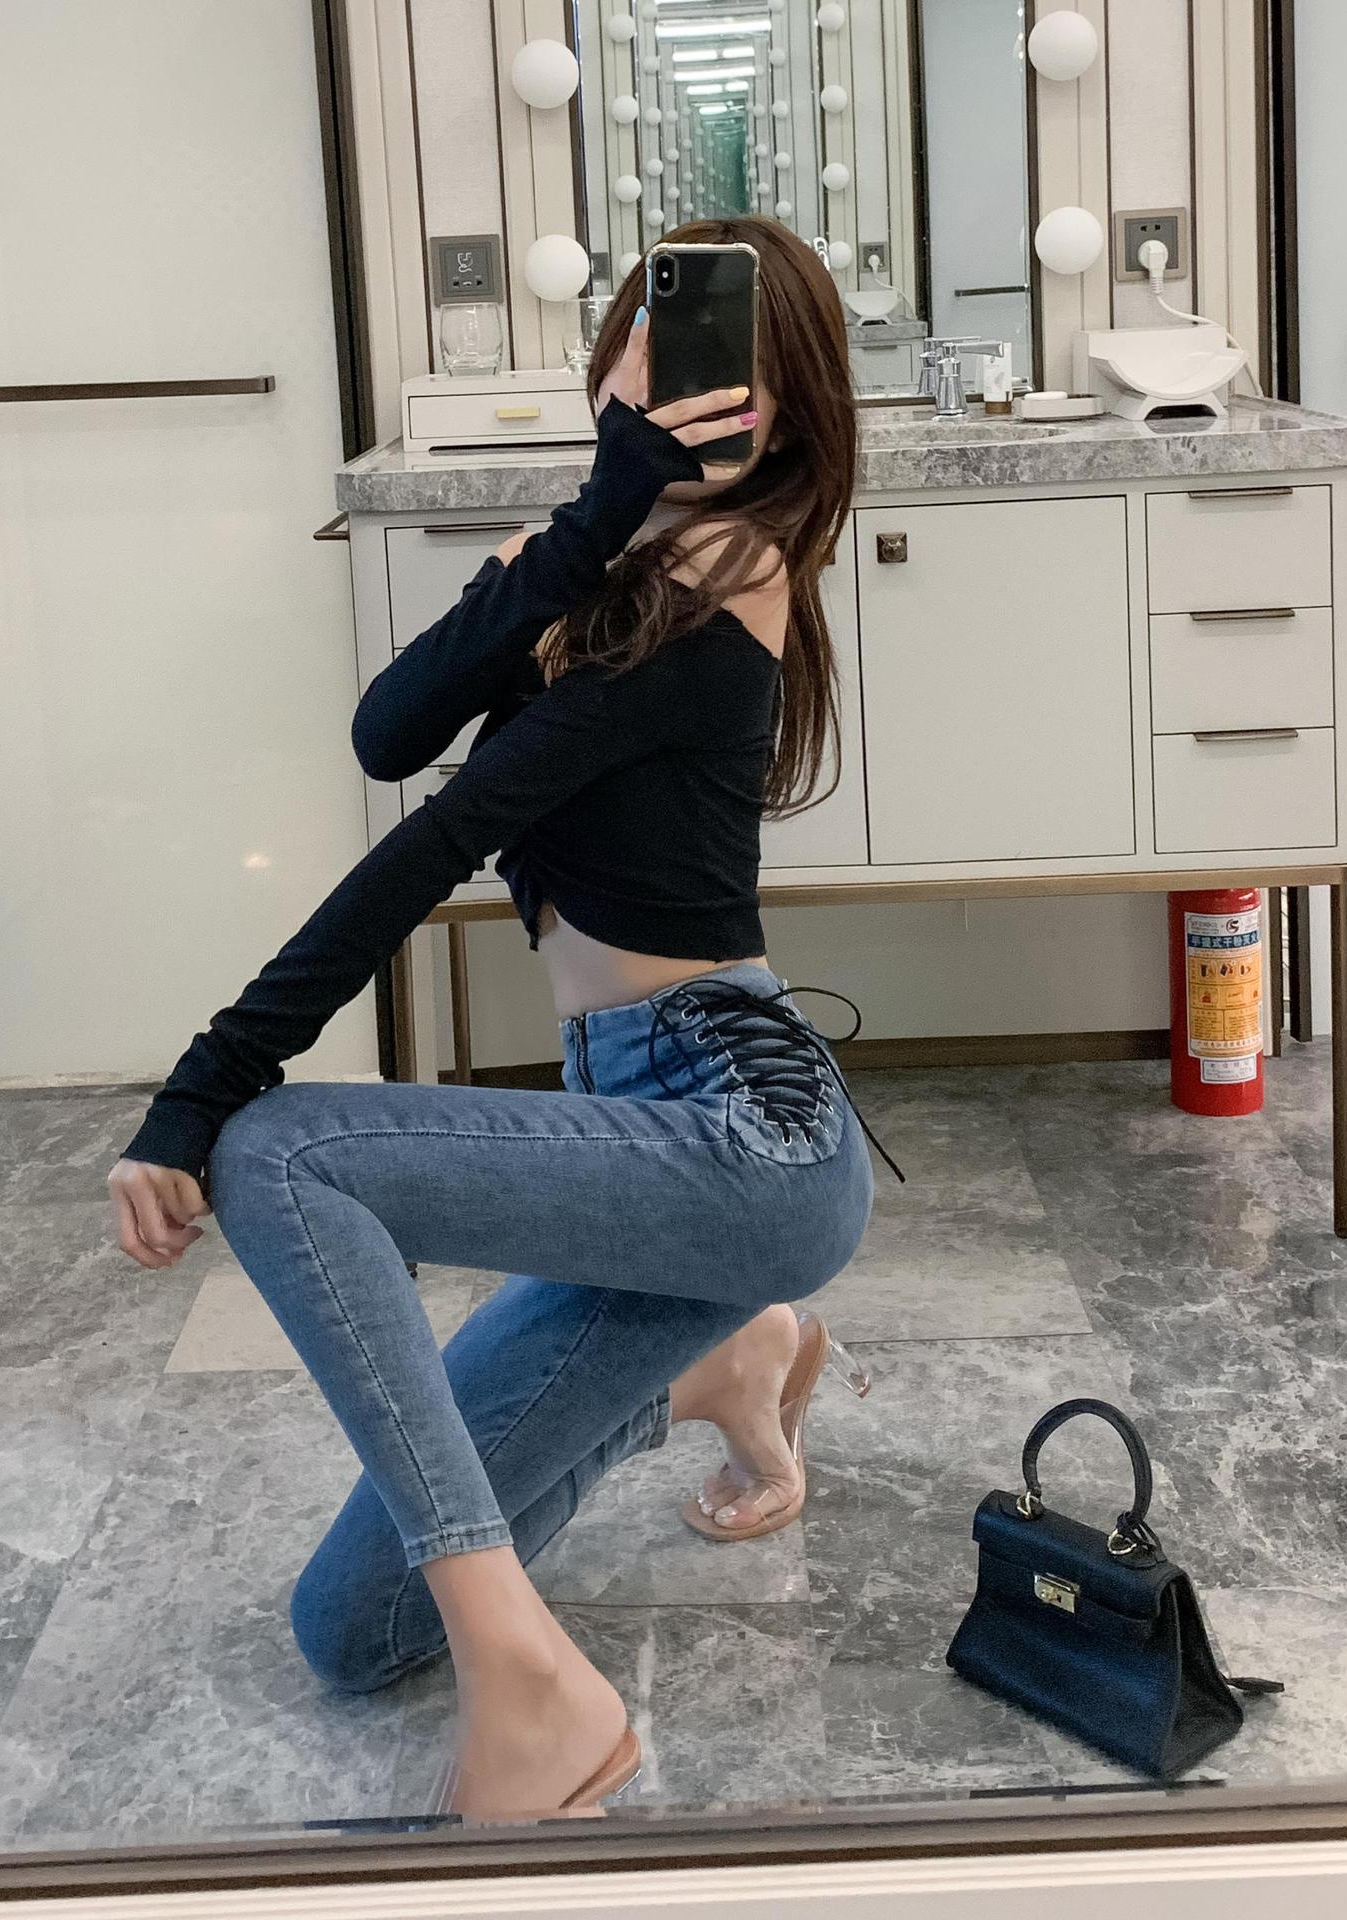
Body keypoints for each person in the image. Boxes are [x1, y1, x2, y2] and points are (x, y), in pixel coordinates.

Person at [109, 217, 893, 1819]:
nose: (695, 388)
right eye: (664, 346)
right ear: (616, 361)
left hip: (741, 1123)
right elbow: (389, 730)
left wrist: (206, 1084)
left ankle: (535, 1694)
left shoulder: (731, 571)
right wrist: (592, 508)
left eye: (738, 371)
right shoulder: (592, 555)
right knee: (350, 1633)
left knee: (277, 1154)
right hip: (637, 1129)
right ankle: (726, 1355)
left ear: (793, 412)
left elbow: (447, 831)